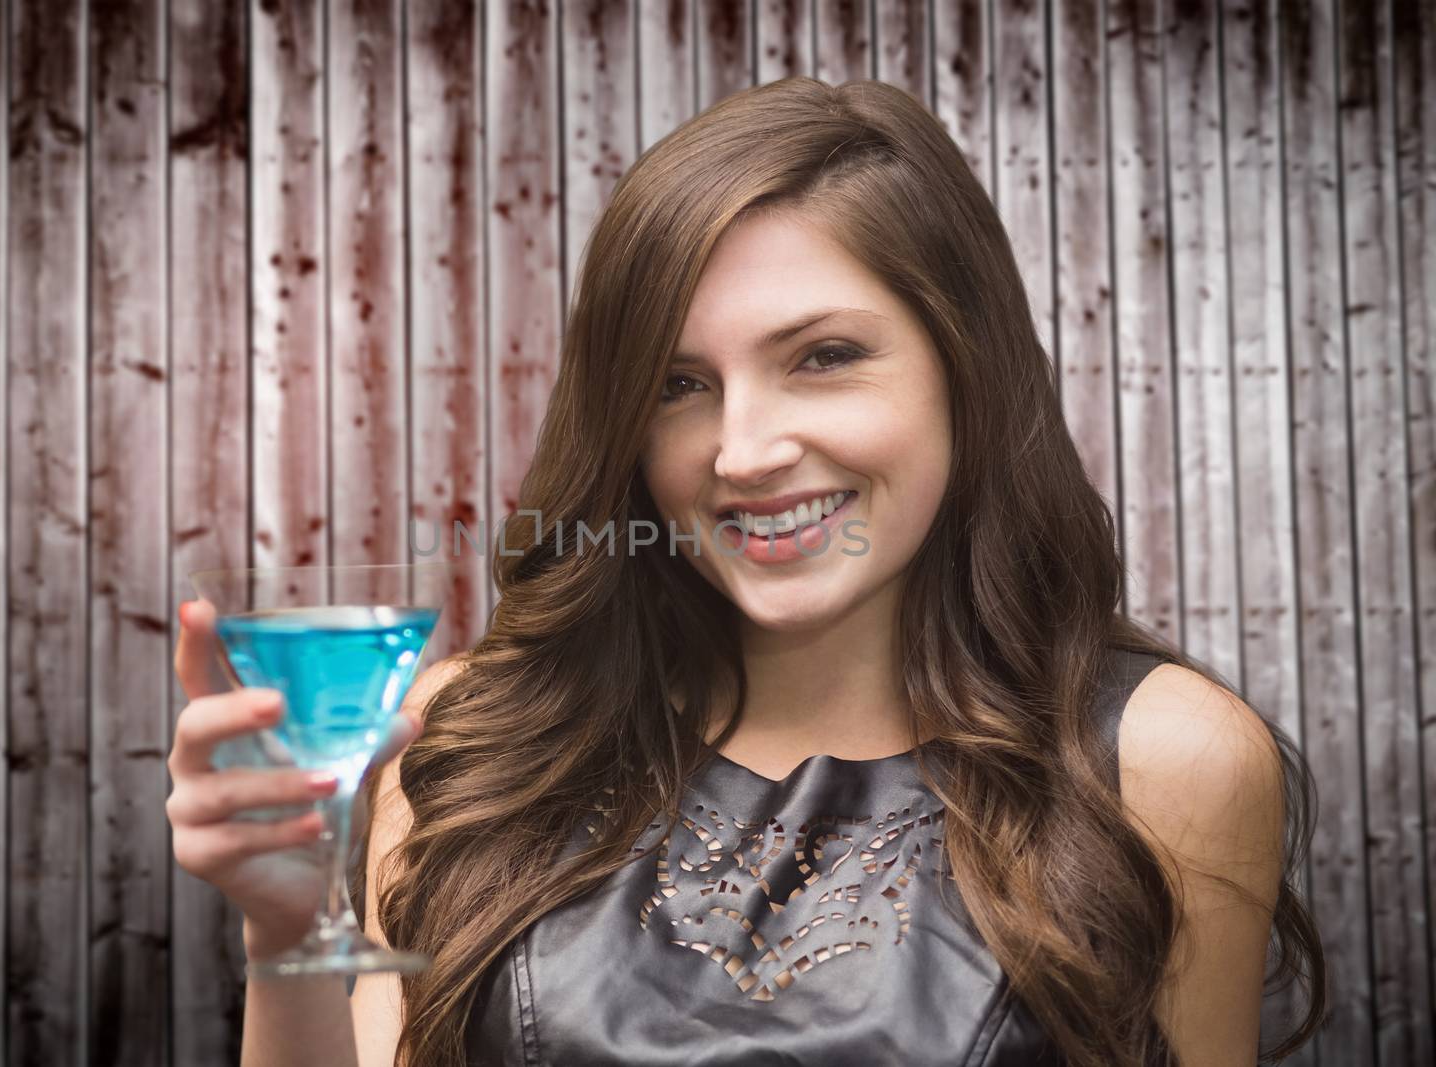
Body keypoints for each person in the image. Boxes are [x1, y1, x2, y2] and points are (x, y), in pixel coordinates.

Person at [168, 76, 1327, 1066]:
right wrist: (285, 933)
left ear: (965, 374)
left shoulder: (1162, 763)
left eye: (823, 357)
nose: (742, 451)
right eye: (679, 383)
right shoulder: (465, 740)